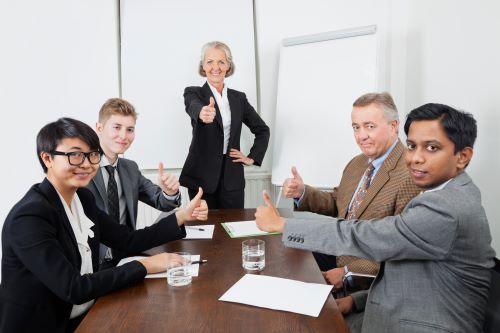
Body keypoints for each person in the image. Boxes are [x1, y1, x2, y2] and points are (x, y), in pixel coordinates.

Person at [256, 103, 495, 333]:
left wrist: (282, 225)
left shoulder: (446, 208)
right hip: (384, 304)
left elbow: (366, 236)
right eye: (412, 146)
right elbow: (407, 274)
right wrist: (355, 302)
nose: (415, 158)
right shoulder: (442, 190)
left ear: (462, 156)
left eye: (431, 148)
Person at [0, 118, 208, 332]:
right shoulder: (29, 216)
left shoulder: (83, 198)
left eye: (92, 155)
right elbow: (74, 287)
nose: (87, 164)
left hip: (88, 313)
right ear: (47, 158)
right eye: (75, 155)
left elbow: (128, 240)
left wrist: (181, 216)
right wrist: (146, 265)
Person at [282, 92, 420, 296]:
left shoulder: (411, 174)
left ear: (393, 126)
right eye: (356, 127)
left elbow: (400, 250)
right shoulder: (357, 163)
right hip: (339, 252)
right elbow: (338, 203)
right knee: (285, 255)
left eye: (369, 126)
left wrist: (348, 271)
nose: (361, 135)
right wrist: (302, 192)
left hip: (364, 273)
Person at [86, 98, 207, 268]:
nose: (123, 136)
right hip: (93, 264)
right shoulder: (83, 170)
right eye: (116, 127)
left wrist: (169, 192)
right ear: (99, 128)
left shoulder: (130, 168)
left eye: (130, 130)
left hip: (127, 254)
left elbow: (161, 201)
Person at [180, 41, 270, 209]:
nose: (216, 67)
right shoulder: (194, 93)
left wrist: (252, 157)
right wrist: (202, 112)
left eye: (221, 62)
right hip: (201, 177)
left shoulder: (239, 99)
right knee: (204, 229)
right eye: (210, 62)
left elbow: (262, 130)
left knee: (233, 228)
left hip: (232, 178)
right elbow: (192, 106)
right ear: (203, 66)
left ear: (228, 65)